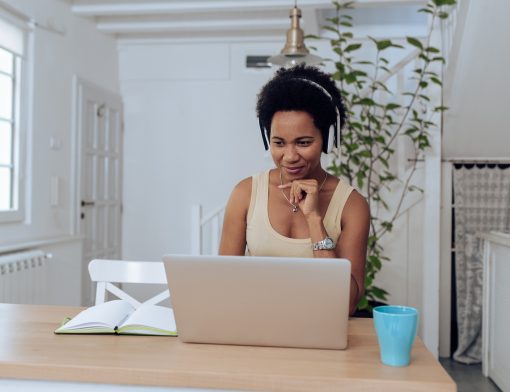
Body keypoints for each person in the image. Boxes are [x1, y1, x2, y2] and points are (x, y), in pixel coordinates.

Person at [219, 64, 370, 315]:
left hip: (320, 329)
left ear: (328, 139)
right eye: (279, 143)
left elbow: (346, 304)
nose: (289, 156)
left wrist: (314, 219)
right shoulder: (245, 194)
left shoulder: (352, 205)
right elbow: (223, 284)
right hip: (256, 326)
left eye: (303, 142)